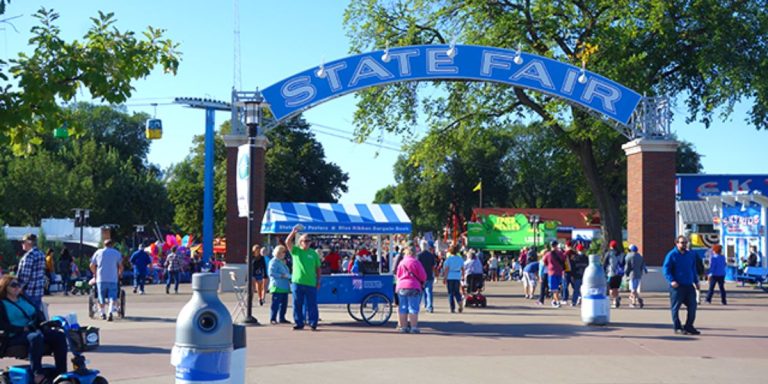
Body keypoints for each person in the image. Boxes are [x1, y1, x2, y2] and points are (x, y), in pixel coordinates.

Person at [0, 275, 68, 383]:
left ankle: (61, 372)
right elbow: (2, 325)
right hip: (13, 335)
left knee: (58, 335)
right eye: (13, 285)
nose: (17, 287)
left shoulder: (24, 298)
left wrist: (45, 323)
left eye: (18, 285)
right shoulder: (2, 303)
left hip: (32, 330)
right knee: (35, 337)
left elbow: (37, 313)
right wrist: (22, 329)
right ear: (5, 287)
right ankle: (38, 374)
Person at [662, 235, 700, 335]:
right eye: (682, 242)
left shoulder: (690, 254)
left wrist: (696, 281)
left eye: (685, 242)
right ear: (677, 243)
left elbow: (693, 269)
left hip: (689, 285)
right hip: (677, 287)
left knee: (693, 306)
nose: (684, 244)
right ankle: (677, 327)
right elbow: (666, 269)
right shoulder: (672, 255)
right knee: (676, 307)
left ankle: (689, 326)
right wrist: (672, 280)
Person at [285, 225, 321, 331]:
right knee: (297, 304)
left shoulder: (313, 254)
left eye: (308, 241)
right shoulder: (296, 251)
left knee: (312, 304)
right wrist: (293, 232)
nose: (307, 242)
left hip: (310, 283)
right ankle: (299, 323)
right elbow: (287, 242)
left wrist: (318, 280)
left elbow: (318, 268)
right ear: (300, 242)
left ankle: (313, 323)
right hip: (297, 282)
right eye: (305, 240)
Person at [395, 245, 427, 333]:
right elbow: (423, 276)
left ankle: (403, 327)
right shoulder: (416, 262)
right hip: (414, 286)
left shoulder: (401, 262)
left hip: (402, 286)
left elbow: (398, 275)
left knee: (403, 307)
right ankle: (413, 327)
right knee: (413, 307)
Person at [90, 239, 123, 321]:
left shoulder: (98, 252)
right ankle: (110, 312)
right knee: (112, 297)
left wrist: (95, 273)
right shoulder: (116, 253)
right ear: (112, 244)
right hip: (112, 278)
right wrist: (119, 274)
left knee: (101, 297)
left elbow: (91, 265)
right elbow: (121, 266)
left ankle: (102, 313)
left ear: (104, 245)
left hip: (101, 278)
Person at [17, 233, 46, 310]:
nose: (22, 244)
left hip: (28, 291)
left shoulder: (29, 256)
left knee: (26, 314)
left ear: (29, 242)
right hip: (38, 290)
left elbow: (25, 276)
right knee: (36, 314)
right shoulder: (41, 254)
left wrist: (18, 288)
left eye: (23, 242)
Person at [268, 245, 291, 325]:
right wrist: (281, 276)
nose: (285, 254)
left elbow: (287, 272)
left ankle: (282, 318)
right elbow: (271, 273)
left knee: (284, 304)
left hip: (284, 286)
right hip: (277, 286)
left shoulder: (282, 262)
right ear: (278, 253)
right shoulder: (273, 261)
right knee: (276, 303)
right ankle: (273, 318)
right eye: (283, 252)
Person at [542, 240, 566, 308]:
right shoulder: (561, 253)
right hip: (559, 272)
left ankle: (557, 301)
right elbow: (564, 260)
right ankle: (554, 300)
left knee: (554, 289)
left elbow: (544, 263)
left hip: (551, 272)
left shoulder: (548, 254)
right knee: (557, 288)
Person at [442, 245, 465, 313]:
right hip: (457, 276)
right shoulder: (460, 259)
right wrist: (463, 276)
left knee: (450, 293)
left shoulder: (448, 259)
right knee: (457, 292)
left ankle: (452, 308)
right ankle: (460, 303)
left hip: (450, 276)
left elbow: (446, 269)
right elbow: (463, 268)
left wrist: (445, 278)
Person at [417, 240, 438, 313]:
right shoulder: (431, 255)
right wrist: (435, 275)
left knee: (420, 292)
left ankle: (418, 306)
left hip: (420, 277)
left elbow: (417, 267)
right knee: (429, 292)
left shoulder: (418, 256)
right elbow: (433, 266)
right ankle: (429, 307)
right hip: (429, 275)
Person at [603, 240, 625, 308]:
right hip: (619, 273)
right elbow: (623, 263)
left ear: (610, 246)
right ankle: (615, 301)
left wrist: (604, 272)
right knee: (615, 288)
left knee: (610, 288)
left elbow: (605, 264)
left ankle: (616, 299)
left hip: (611, 273)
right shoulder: (622, 254)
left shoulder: (609, 254)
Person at [624, 244, 646, 308]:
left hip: (632, 274)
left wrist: (625, 273)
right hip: (638, 274)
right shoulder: (640, 256)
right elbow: (643, 265)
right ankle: (638, 299)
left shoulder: (629, 256)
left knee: (633, 290)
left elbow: (627, 266)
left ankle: (634, 302)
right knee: (635, 289)